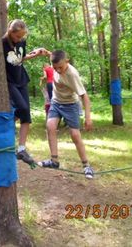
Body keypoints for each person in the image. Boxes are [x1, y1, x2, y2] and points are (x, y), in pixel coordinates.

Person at [0, 19, 49, 165]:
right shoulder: (1, 43)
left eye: (21, 37)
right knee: (21, 108)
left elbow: (19, 58)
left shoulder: (21, 42)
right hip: (9, 82)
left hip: (22, 79)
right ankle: (4, 127)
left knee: (26, 115)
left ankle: (21, 149)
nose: (19, 39)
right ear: (10, 32)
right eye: (17, 37)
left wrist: (34, 55)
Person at [37, 50, 94, 179]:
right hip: (56, 102)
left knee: (75, 135)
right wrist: (44, 52)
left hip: (71, 104)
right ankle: (54, 161)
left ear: (67, 62)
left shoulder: (72, 75)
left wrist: (88, 117)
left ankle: (86, 166)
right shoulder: (57, 63)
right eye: (55, 68)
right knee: (50, 126)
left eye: (60, 67)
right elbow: (54, 56)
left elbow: (85, 96)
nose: (58, 70)